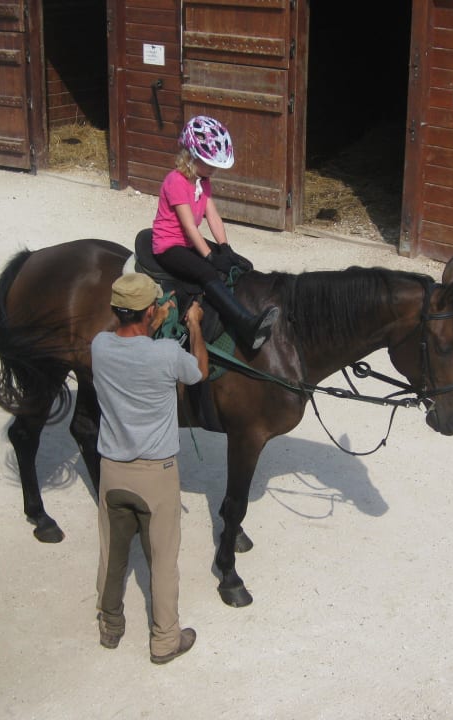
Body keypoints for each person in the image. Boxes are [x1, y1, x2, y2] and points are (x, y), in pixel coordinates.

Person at [89, 273, 209, 665]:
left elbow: (125, 335)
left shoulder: (100, 346)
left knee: (112, 555)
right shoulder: (167, 356)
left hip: (112, 471)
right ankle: (165, 640)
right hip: (156, 474)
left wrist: (148, 322)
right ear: (151, 310)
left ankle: (110, 625)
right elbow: (199, 372)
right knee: (162, 560)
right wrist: (193, 326)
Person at [151, 115, 279, 351]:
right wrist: (210, 256)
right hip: (169, 245)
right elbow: (189, 226)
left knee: (239, 264)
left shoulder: (203, 180)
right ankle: (245, 324)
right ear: (191, 157)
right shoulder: (176, 181)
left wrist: (225, 247)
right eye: (210, 164)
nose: (214, 169)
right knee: (207, 271)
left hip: (188, 243)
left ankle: (243, 311)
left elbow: (213, 215)